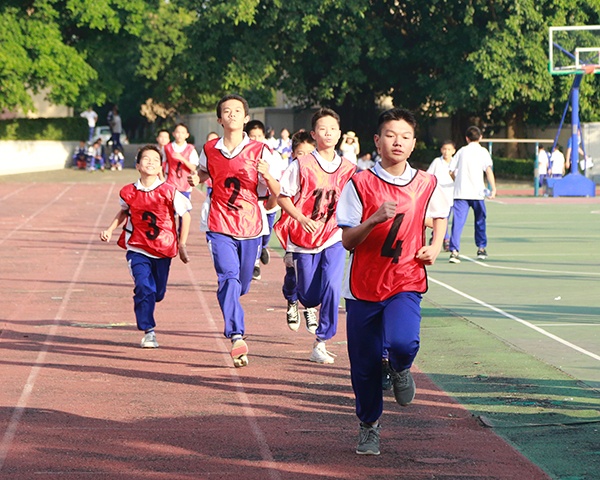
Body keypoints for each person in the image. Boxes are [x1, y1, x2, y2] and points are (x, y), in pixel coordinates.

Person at [336, 107, 449, 456]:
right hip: (363, 285)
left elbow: (439, 215)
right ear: (377, 140)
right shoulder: (359, 183)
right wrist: (372, 219)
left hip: (406, 278)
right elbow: (348, 240)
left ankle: (400, 368)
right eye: (390, 135)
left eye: (405, 137)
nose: (397, 142)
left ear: (413, 144)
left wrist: (436, 245)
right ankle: (369, 425)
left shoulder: (426, 183)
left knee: (403, 341)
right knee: (365, 365)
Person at [187, 94, 281, 368]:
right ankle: (236, 335)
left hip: (251, 225)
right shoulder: (210, 149)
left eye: (237, 111)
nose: (231, 114)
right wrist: (196, 177)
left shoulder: (261, 151)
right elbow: (205, 172)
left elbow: (277, 192)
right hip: (219, 224)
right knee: (228, 278)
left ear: (246, 118)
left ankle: (231, 300)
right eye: (226, 111)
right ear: (219, 119)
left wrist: (268, 175)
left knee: (240, 284)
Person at [276, 108, 356, 364]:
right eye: (323, 129)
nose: (328, 133)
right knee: (309, 296)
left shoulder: (349, 168)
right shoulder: (301, 165)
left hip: (333, 235)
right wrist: (301, 218)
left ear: (340, 133)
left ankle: (321, 341)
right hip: (303, 237)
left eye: (333, 129)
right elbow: (283, 197)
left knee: (332, 286)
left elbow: (358, 200)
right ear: (313, 134)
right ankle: (293, 293)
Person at [99, 145, 192, 348]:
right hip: (137, 247)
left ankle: (150, 303)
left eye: (155, 160)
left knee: (157, 293)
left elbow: (185, 216)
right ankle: (149, 331)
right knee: (143, 286)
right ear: (138, 165)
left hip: (163, 249)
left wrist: (182, 244)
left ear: (161, 167)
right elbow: (124, 212)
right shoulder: (128, 191)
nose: (150, 162)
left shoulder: (170, 191)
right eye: (146, 159)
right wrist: (110, 229)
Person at [275, 129, 317, 331]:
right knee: (293, 268)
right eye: (301, 153)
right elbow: (282, 199)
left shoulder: (320, 172)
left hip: (316, 228)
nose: (305, 158)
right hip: (293, 228)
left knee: (314, 273)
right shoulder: (291, 173)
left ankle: (310, 306)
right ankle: (292, 301)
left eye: (309, 153)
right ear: (293, 154)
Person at [244, 120, 287, 281]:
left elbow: (277, 180)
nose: (256, 139)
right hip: (251, 201)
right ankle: (255, 264)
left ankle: (263, 247)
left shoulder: (271, 155)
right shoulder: (242, 153)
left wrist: (273, 198)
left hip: (269, 199)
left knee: (267, 230)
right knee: (254, 233)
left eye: (259, 136)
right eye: (252, 136)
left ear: (264, 136)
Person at [447, 126, 496, 264]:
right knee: (480, 220)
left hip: (461, 193)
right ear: (480, 137)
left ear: (467, 138)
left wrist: (456, 181)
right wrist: (493, 188)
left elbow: (451, 171)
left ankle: (454, 251)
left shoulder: (461, 151)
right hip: (477, 193)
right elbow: (488, 170)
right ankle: (481, 248)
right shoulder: (483, 152)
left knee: (458, 223)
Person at [426, 140, 456, 251]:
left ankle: (439, 236)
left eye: (449, 149)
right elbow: (428, 175)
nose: (446, 152)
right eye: (444, 149)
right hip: (438, 196)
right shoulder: (437, 162)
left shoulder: (456, 163)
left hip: (451, 196)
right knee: (440, 217)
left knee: (446, 218)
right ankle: (445, 238)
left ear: (453, 151)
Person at [164, 123, 199, 200]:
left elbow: (193, 167)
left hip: (185, 185)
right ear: (173, 134)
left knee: (184, 207)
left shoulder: (191, 149)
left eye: (182, 133)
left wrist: (182, 159)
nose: (180, 135)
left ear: (187, 135)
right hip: (171, 183)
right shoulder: (167, 148)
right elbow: (162, 165)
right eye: (178, 132)